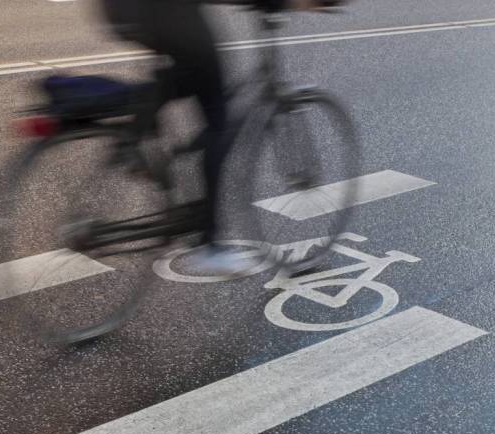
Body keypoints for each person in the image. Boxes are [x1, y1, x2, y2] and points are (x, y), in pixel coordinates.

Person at [100, 0, 345, 275]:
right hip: (160, 11)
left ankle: (134, 134)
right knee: (217, 115)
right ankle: (210, 247)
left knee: (190, 76)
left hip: (133, 10)